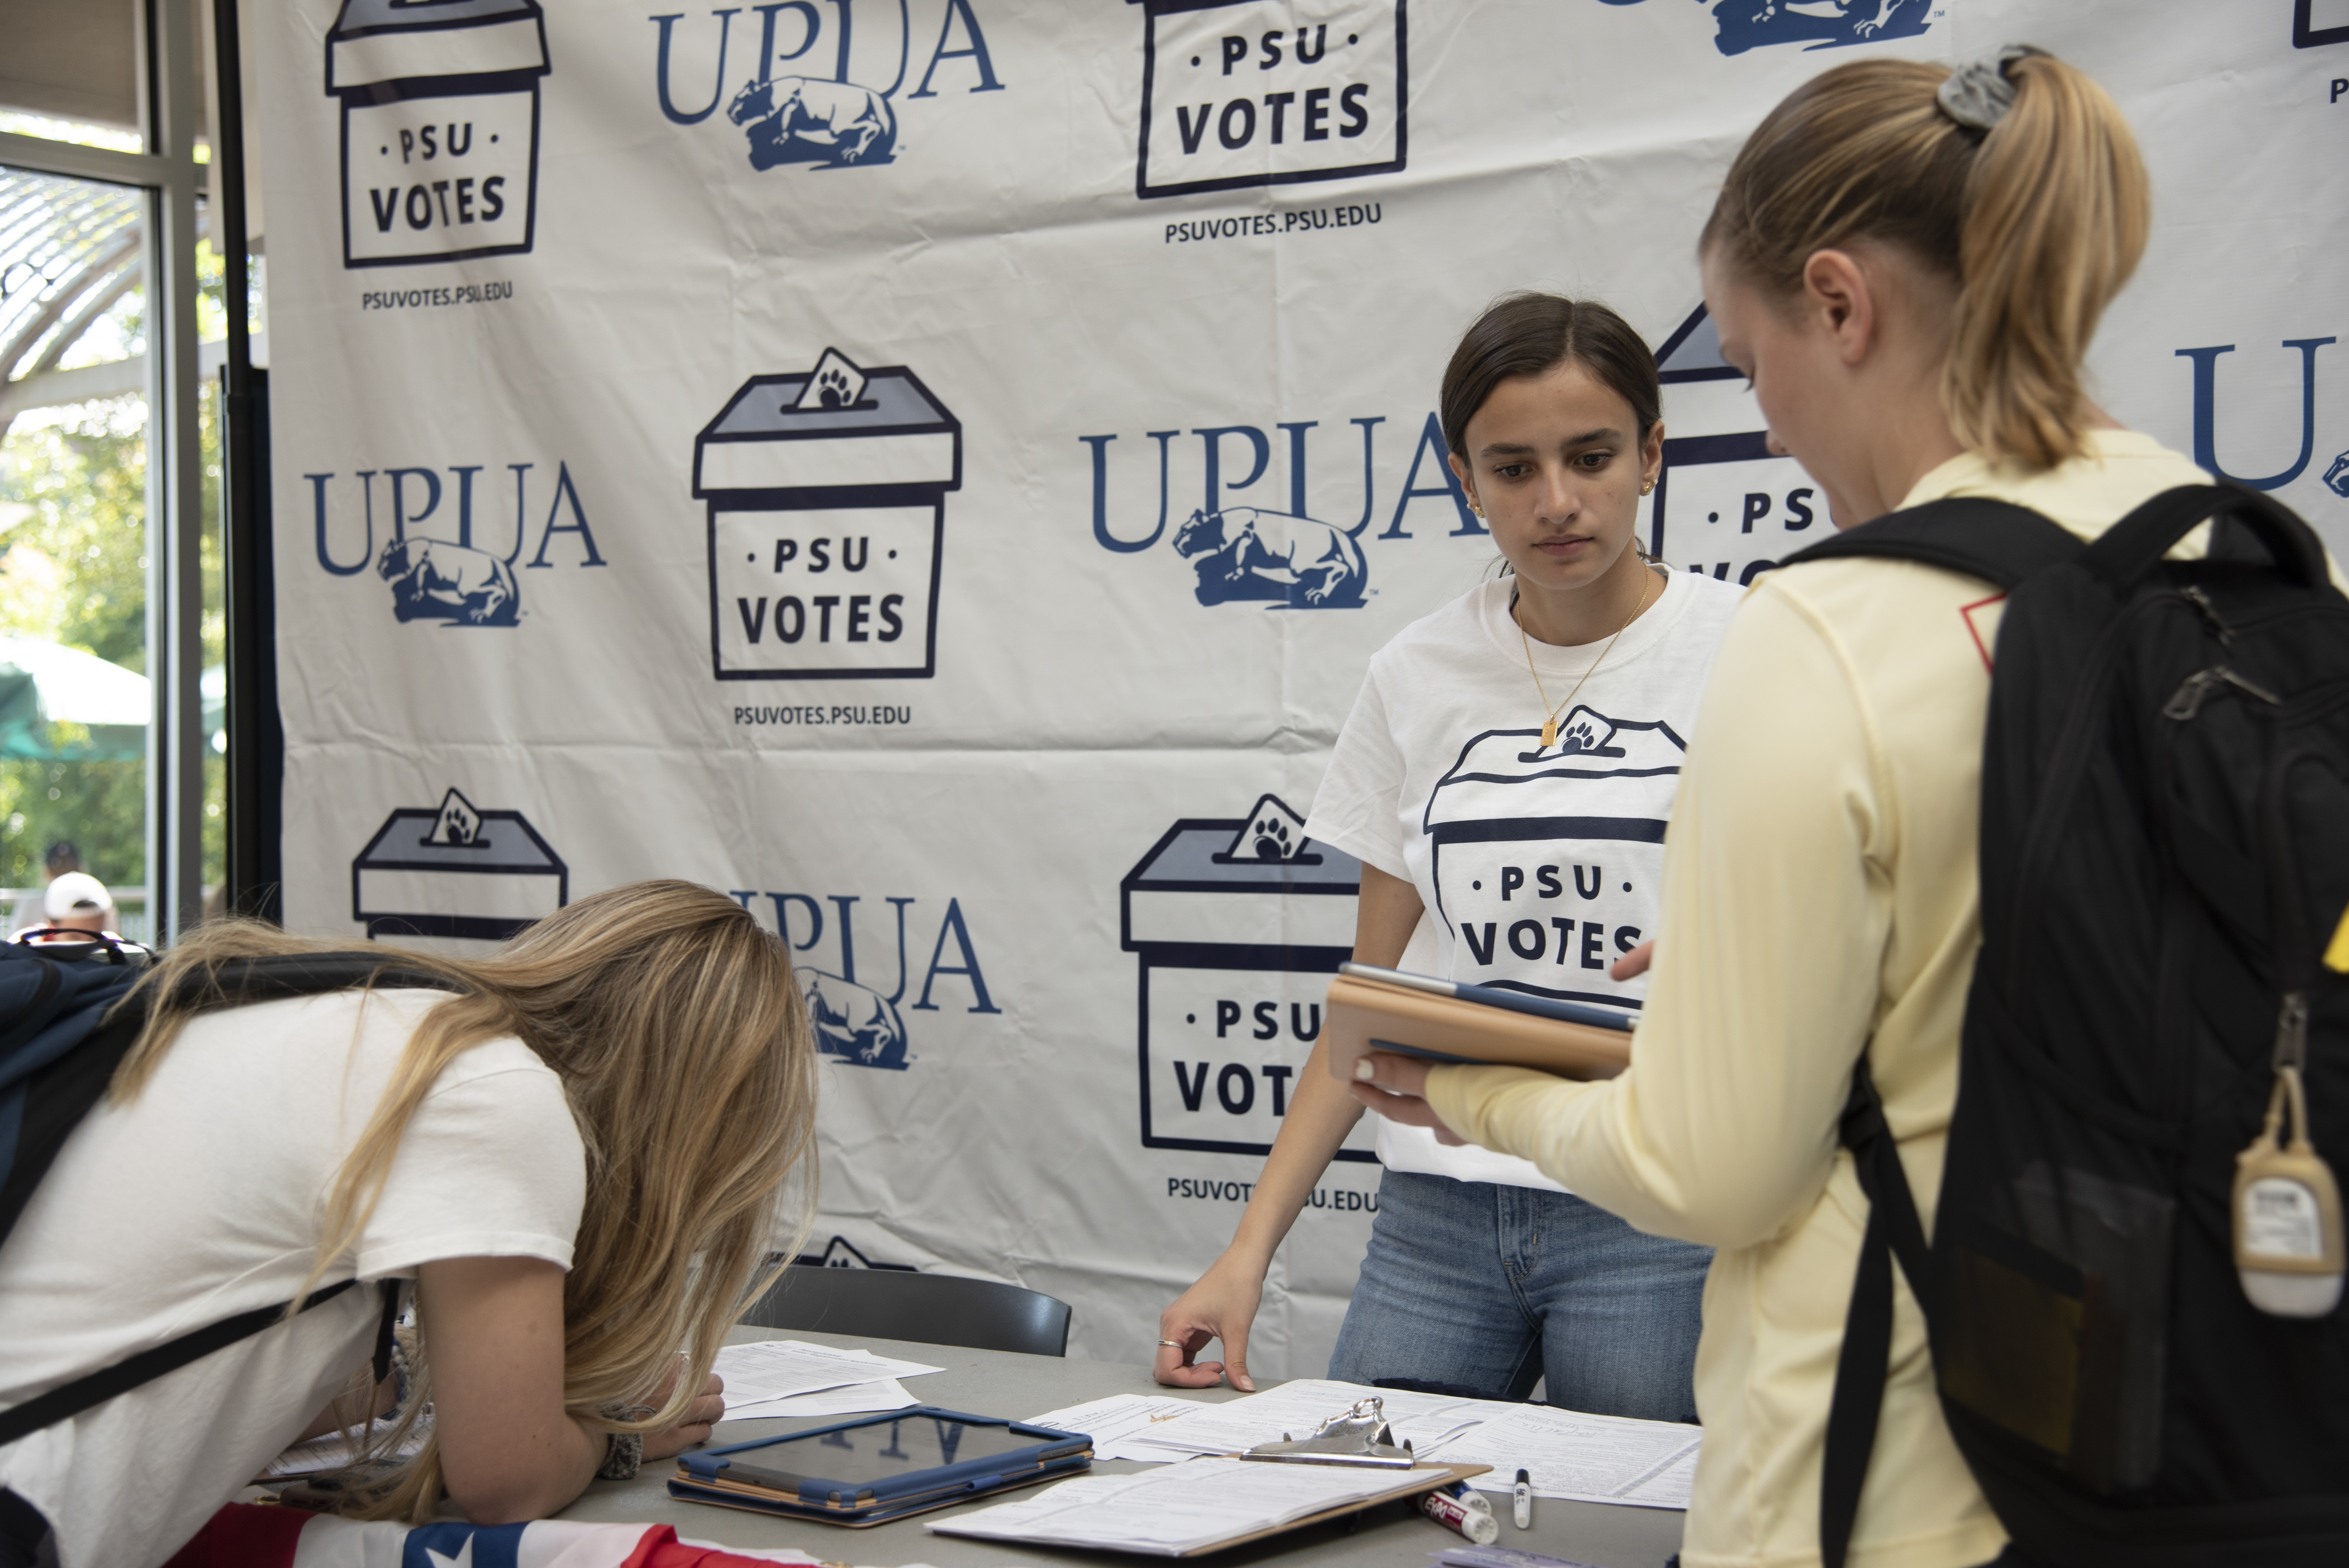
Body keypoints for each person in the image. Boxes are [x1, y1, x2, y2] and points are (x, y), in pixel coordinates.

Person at [1346, 47, 2211, 1568]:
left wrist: (1467, 1089)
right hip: (2194, 1405)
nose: (1779, 431)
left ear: (1838, 304)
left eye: (1749, 369)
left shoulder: (1822, 629)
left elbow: (1715, 1167)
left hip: (1888, 1456)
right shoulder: (2240, 555)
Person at [1157, 295, 1744, 1417]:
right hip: (1438, 1212)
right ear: (1462, 478)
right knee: (1353, 1518)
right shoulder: (1416, 672)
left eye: (1591, 457)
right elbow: (1370, 1004)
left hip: (1653, 1206)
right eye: (1512, 468)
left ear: (1655, 454)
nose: (1556, 502)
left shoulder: (1752, 649)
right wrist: (1247, 1254)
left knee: (1618, 1541)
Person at [0, 880, 817, 1568]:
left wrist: (436, 1373)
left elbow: (236, 1334)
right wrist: (616, 1436)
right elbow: (506, 1477)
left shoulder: (371, 1014)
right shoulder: (493, 1087)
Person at [7, 843, 81, 937]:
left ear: (45, 872)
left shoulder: (29, 905)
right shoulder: (96, 907)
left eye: (67, 871)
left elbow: (13, 945)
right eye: (57, 872)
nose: (62, 878)